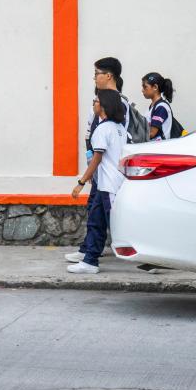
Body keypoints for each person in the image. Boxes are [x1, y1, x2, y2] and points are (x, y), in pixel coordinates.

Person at [67, 89, 127, 274]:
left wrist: (81, 181)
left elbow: (97, 158)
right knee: (96, 222)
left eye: (95, 101)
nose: (93, 104)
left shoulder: (102, 129)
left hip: (108, 186)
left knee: (118, 227)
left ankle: (152, 260)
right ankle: (90, 260)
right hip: (110, 185)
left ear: (103, 106)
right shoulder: (120, 129)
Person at [142, 72, 175, 141]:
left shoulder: (161, 107)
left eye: (145, 87)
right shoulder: (152, 107)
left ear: (155, 87)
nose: (142, 90)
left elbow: (151, 133)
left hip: (159, 149)